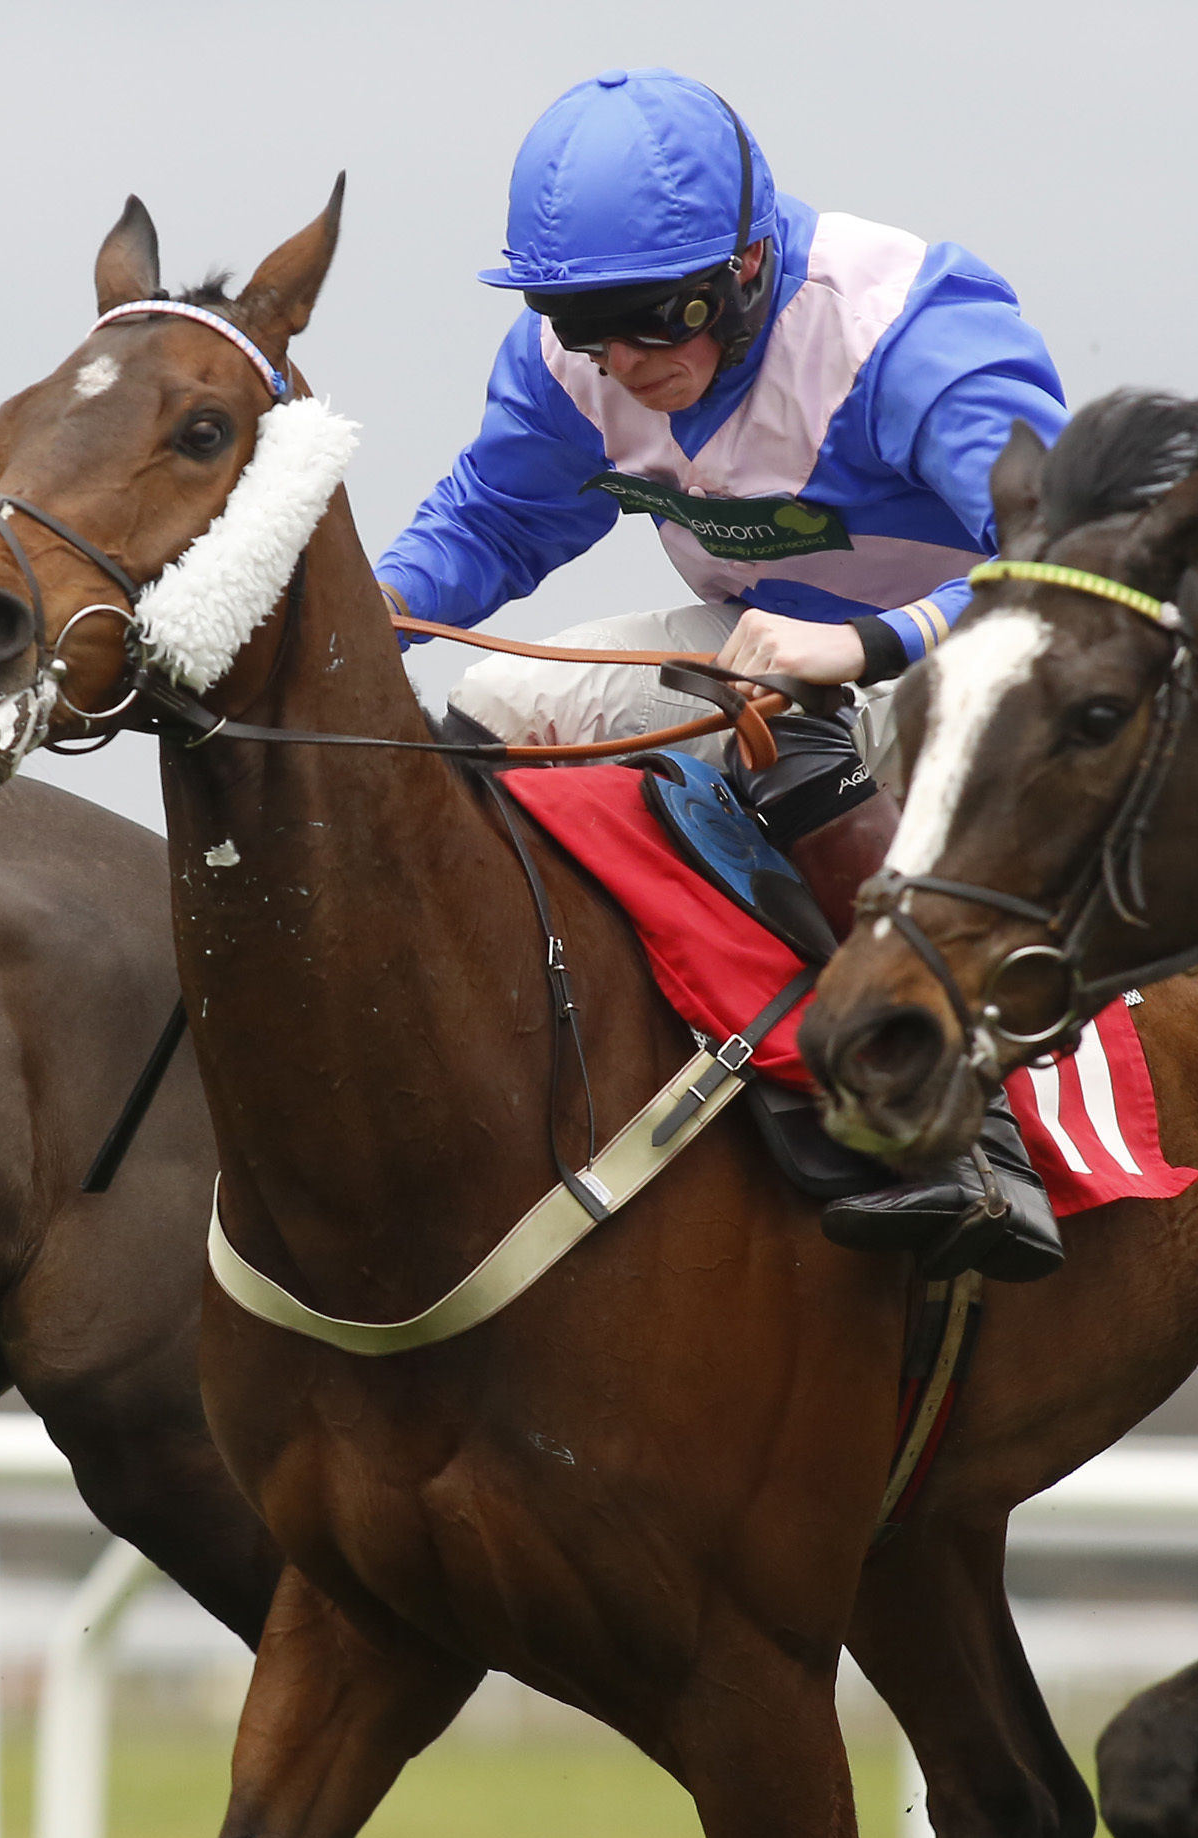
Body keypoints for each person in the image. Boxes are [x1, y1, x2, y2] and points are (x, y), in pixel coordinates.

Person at [374, 68, 1075, 1282]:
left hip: (989, 670)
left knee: (788, 721)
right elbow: (494, 519)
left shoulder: (905, 331)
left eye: (659, 316)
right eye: (583, 324)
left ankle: (961, 1124)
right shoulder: (577, 360)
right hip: (765, 651)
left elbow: (1076, 557)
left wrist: (870, 643)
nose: (621, 360)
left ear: (747, 266)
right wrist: (352, 618)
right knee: (484, 718)